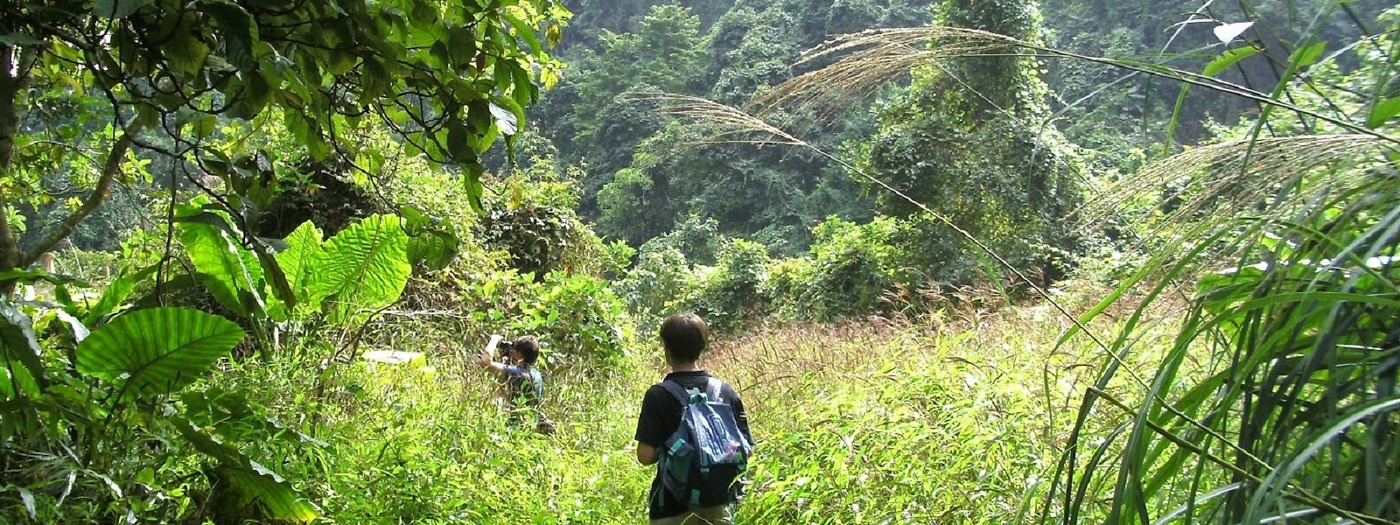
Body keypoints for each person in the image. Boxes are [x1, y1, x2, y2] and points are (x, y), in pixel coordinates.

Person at [634, 313, 753, 524]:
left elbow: (645, 455)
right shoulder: (725, 392)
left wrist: (676, 450)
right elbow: (745, 448)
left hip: (671, 508)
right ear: (702, 347)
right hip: (718, 506)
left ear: (667, 349)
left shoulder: (658, 395)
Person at [477, 334, 553, 433]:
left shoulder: (517, 372)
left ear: (520, 354)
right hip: (530, 424)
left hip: (515, 427)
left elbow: (486, 363)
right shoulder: (537, 374)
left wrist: (494, 340)